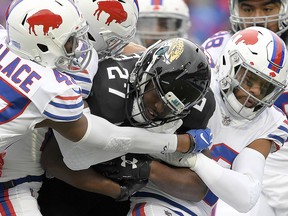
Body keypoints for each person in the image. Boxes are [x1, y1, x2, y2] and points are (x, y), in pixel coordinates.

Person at [0, 0, 208, 215]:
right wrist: (178, 143)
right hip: (14, 177)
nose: (81, 46)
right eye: (73, 40)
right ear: (43, 45)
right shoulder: (52, 88)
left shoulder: (7, 36)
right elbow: (95, 144)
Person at [113, 26, 288, 216]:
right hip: (148, 186)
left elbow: (246, 196)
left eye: (266, 87)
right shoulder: (199, 80)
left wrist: (194, 159)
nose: (255, 91)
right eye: (250, 79)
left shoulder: (270, 121)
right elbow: (151, 57)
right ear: (230, 64)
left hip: (194, 208)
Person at [38, 37, 215, 215]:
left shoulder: (193, 112)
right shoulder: (108, 85)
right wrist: (114, 189)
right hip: (69, 192)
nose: (159, 108)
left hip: (126, 203)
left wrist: (146, 169)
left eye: (172, 106)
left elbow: (198, 189)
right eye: (158, 94)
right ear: (145, 72)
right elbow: (54, 160)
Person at [201, 1, 288, 215]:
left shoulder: (275, 120)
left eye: (268, 9)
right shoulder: (219, 46)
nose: (258, 17)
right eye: (248, 9)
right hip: (238, 157)